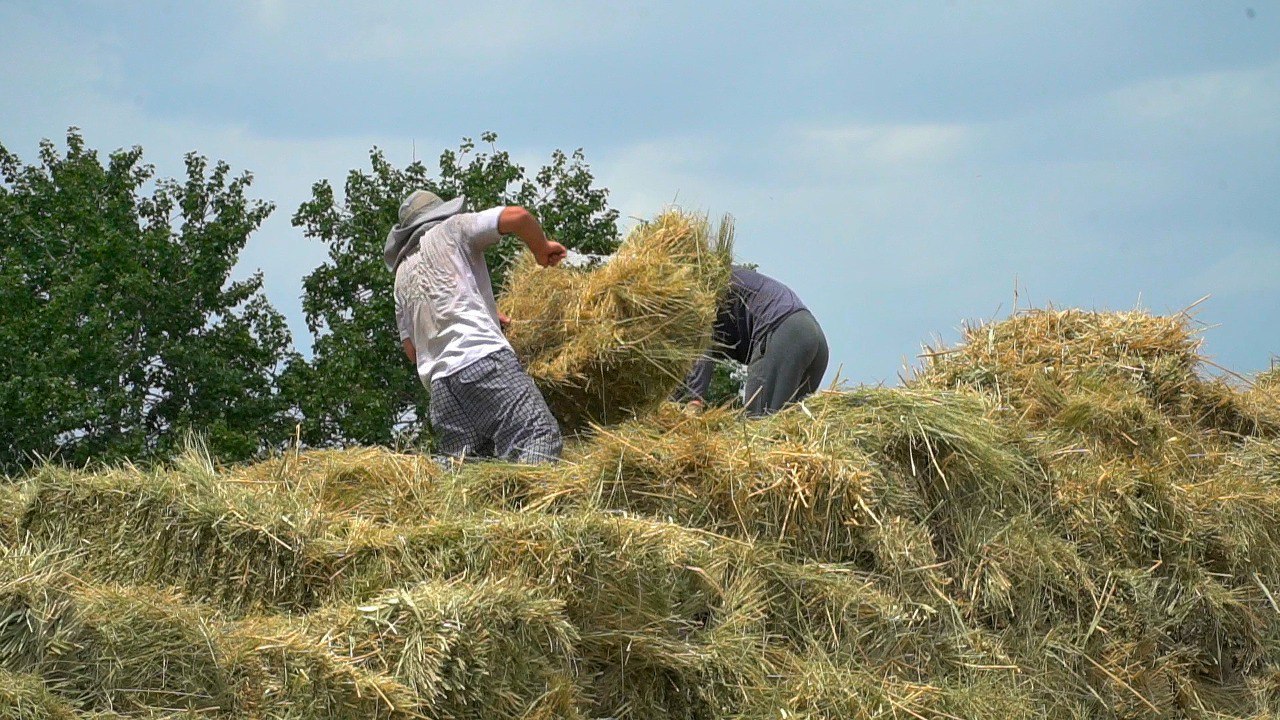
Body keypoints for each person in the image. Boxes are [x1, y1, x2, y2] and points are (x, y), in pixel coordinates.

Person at [385, 190, 566, 463]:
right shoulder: (452, 229)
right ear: (439, 213)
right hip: (483, 362)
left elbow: (412, 350)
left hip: (442, 391)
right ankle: (533, 505)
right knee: (537, 436)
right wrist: (542, 249)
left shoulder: (401, 275)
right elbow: (518, 217)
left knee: (469, 473)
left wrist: (487, 316)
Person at [679, 266, 829, 416]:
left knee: (758, 425)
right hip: (812, 337)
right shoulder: (716, 277)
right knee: (786, 428)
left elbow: (700, 349)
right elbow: (676, 379)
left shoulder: (692, 295)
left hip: (783, 333)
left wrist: (695, 400)